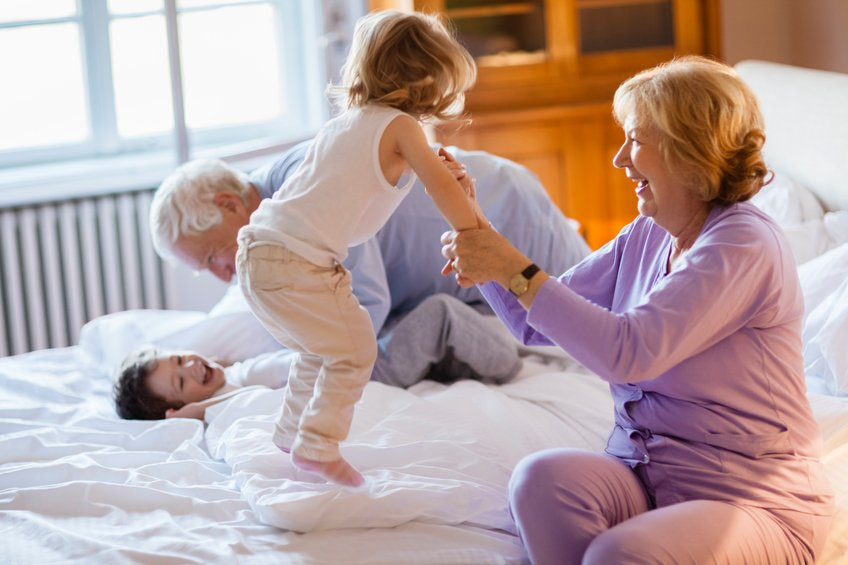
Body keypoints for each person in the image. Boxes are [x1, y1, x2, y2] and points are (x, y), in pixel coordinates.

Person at [441, 56, 834, 564]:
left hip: (752, 498)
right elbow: (531, 324)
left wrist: (509, 263)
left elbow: (630, 352)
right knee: (539, 481)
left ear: (687, 148)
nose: (620, 159)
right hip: (646, 475)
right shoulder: (649, 234)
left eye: (635, 140)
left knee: (620, 553)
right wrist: (475, 227)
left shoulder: (745, 244)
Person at [234, 9, 491, 488]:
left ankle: (291, 433)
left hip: (257, 252)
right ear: (428, 77)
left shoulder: (345, 124)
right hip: (297, 261)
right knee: (355, 348)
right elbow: (442, 190)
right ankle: (318, 444)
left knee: (321, 348)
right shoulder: (401, 128)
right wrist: (473, 237)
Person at [113, 293, 523, 421]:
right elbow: (240, 408)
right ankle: (512, 364)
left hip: (351, 357)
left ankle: (474, 359)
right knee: (439, 313)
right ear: (183, 405)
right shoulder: (225, 402)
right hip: (364, 375)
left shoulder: (231, 371)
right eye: (181, 382)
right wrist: (195, 413)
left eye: (181, 358)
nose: (190, 366)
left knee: (405, 319)